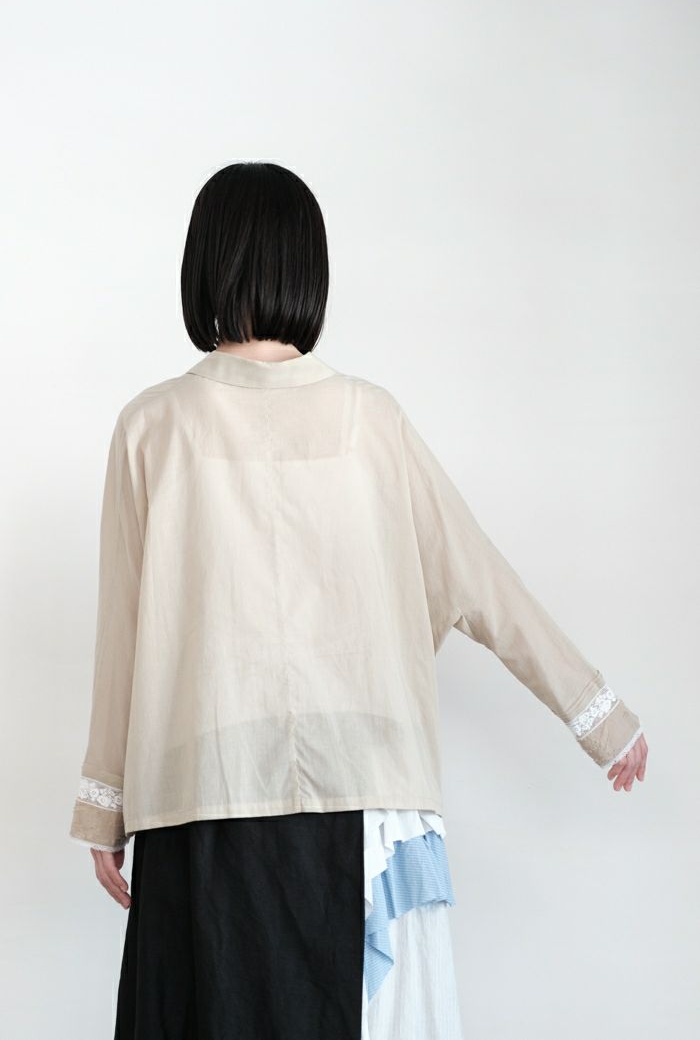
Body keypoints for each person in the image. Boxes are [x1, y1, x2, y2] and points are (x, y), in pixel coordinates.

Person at [69, 161, 648, 1040]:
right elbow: (476, 576)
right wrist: (598, 714)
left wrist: (104, 807)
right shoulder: (369, 418)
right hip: (363, 784)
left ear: (204, 264)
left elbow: (125, 633)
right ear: (310, 268)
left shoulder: (152, 426)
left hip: (202, 788)